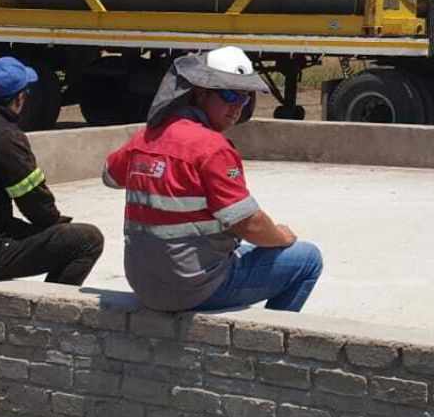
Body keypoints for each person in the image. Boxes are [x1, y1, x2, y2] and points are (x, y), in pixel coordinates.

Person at [103, 47, 322, 313]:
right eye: (229, 95)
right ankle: (270, 334)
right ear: (201, 92)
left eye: (244, 97)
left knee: (246, 248)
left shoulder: (145, 138)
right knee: (307, 259)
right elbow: (250, 225)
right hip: (195, 289)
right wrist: (281, 237)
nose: (237, 107)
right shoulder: (213, 148)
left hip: (146, 286)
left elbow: (110, 176)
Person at [0, 57, 104, 286]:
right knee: (86, 240)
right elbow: (35, 203)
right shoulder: (4, 136)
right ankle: (50, 304)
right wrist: (56, 224)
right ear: (19, 98)